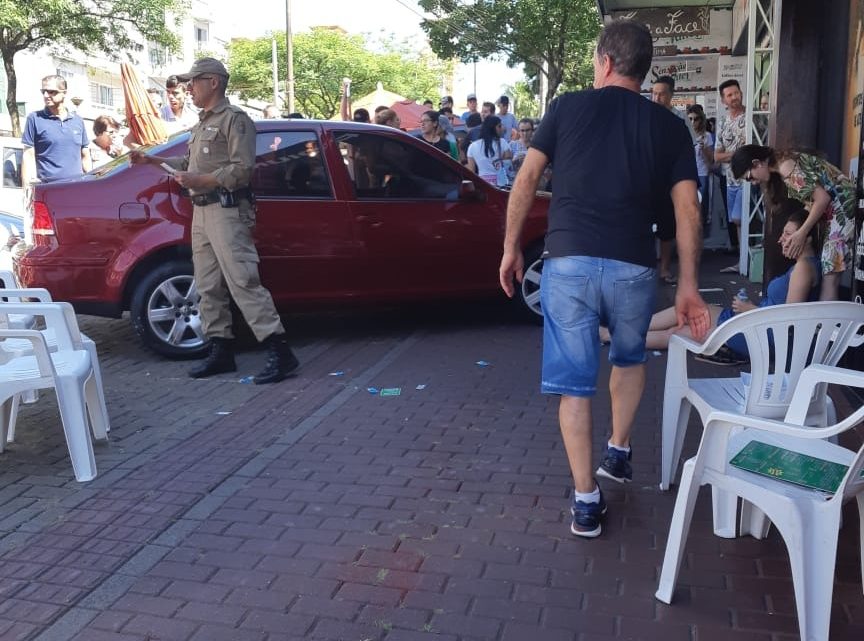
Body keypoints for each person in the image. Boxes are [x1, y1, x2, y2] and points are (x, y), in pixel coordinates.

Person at [498, 19, 708, 538]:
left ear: (605, 62)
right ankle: (618, 450)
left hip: (567, 263)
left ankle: (587, 502)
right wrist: (687, 284)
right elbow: (689, 210)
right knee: (630, 357)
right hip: (635, 266)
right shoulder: (669, 126)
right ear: (643, 69)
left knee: (574, 387)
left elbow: (526, 180)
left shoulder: (566, 107)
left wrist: (509, 248)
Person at [129, 57, 299, 384]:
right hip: (203, 212)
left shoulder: (235, 121)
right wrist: (152, 159)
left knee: (242, 281)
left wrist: (202, 181)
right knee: (207, 285)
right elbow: (187, 162)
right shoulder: (203, 122)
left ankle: (280, 351)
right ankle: (221, 351)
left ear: (214, 82)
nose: (188, 88)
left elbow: (242, 168)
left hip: (227, 211)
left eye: (194, 81)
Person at [631, 204, 820, 353]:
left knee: (678, 333)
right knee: (685, 312)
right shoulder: (806, 264)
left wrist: (750, 310)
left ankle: (617, 337)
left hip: (761, 333)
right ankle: (624, 332)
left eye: (788, 234)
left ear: (807, 238)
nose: (781, 240)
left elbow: (790, 320)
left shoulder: (803, 268)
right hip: (755, 323)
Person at [731, 144, 856, 301]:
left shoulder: (786, 167)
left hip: (842, 207)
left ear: (757, 163)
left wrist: (801, 233)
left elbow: (822, 199)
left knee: (830, 276)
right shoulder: (784, 162)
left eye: (749, 177)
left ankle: (827, 324)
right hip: (839, 208)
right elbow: (813, 201)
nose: (754, 182)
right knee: (829, 273)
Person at [651, 75, 695, 285]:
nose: (657, 98)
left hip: (670, 182)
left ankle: (665, 269)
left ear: (671, 96)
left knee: (668, 228)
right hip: (647, 181)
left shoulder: (680, 120)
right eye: (654, 93)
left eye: (661, 94)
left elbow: (687, 151)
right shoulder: (645, 115)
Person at [21, 75, 91, 185]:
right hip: (48, 190)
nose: (45, 95)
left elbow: (85, 155)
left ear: (64, 93)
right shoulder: (34, 118)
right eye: (43, 91)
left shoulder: (78, 121)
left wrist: (90, 182)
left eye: (51, 92)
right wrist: (27, 188)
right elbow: (28, 155)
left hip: (77, 189)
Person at [714, 79, 747, 266]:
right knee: (736, 222)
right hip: (730, 180)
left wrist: (731, 156)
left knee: (739, 218)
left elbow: (754, 151)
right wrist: (738, 154)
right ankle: (743, 260)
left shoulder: (751, 117)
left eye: (736, 93)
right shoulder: (724, 122)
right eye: (729, 95)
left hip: (748, 180)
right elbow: (717, 157)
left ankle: (744, 260)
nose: (734, 97)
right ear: (723, 100)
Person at [687, 105, 714, 229]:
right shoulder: (684, 133)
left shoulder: (706, 136)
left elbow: (711, 159)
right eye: (690, 119)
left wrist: (703, 149)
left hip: (702, 172)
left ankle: (702, 230)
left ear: (701, 119)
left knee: (702, 203)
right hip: (688, 173)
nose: (693, 122)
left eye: (696, 119)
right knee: (690, 204)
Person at [466, 116, 511, 185]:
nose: (502, 128)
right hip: (500, 184)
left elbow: (471, 171)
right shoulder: (503, 142)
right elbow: (508, 164)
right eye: (499, 126)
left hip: (483, 184)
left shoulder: (472, 146)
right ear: (492, 128)